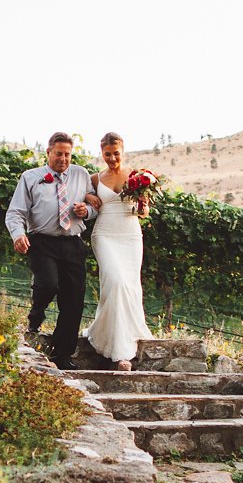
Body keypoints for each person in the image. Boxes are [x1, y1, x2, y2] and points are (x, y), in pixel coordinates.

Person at [4, 131, 93, 367]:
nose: (63, 159)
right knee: (48, 284)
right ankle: (36, 315)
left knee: (73, 299)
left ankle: (62, 355)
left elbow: (93, 203)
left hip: (73, 242)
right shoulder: (30, 177)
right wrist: (18, 234)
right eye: (59, 154)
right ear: (48, 152)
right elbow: (15, 212)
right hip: (42, 241)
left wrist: (87, 211)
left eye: (67, 155)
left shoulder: (81, 174)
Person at [84, 131, 153, 370]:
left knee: (128, 284)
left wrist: (143, 204)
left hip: (130, 235)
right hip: (104, 234)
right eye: (107, 154)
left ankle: (121, 341)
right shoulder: (94, 179)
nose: (112, 158)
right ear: (101, 153)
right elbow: (77, 193)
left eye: (116, 154)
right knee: (115, 282)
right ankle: (120, 353)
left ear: (123, 152)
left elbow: (143, 213)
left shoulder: (138, 177)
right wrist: (87, 195)